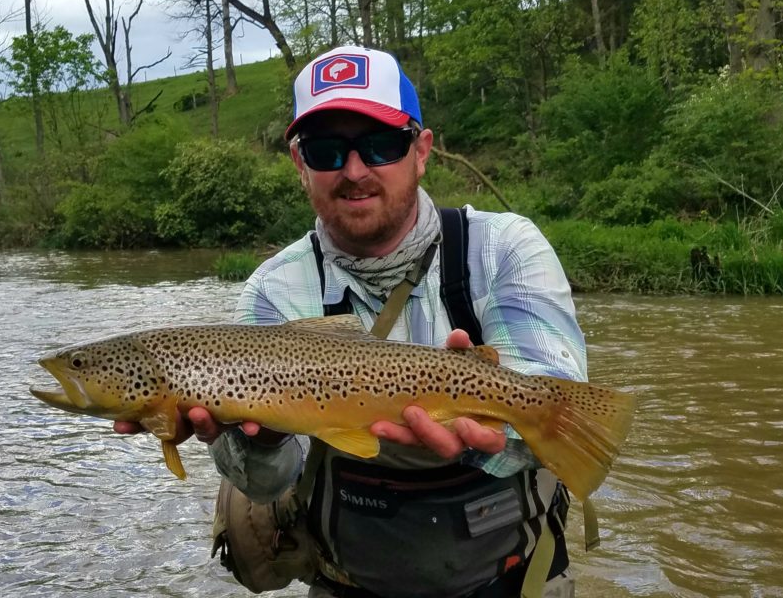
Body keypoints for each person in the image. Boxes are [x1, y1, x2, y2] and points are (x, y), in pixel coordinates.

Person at [116, 45, 587, 598]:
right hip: (348, 584)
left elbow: (565, 417)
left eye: (381, 145)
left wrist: (484, 431)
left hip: (515, 580)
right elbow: (264, 486)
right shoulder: (273, 289)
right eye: (326, 150)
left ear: (421, 151)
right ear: (299, 164)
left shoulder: (503, 247)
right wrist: (264, 439)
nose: (355, 170)